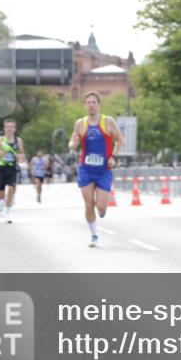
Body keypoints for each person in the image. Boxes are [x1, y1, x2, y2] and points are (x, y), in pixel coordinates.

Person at [68, 91, 124, 247]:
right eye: (88, 102)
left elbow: (120, 140)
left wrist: (114, 156)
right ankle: (94, 235)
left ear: (98, 105)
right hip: (86, 169)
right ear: (85, 105)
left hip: (104, 170)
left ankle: (101, 211)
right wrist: (72, 144)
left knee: (101, 207)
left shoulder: (108, 122)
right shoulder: (80, 123)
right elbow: (73, 140)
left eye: (94, 102)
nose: (91, 105)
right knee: (88, 204)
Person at [0, 119, 26, 223]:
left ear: (14, 129)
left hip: (12, 168)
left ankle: (8, 212)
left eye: (11, 127)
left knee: (11, 189)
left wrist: (18, 156)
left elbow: (22, 154)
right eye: (7, 127)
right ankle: (1, 202)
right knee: (1, 191)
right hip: (1, 167)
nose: (9, 129)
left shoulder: (18, 141)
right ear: (4, 128)